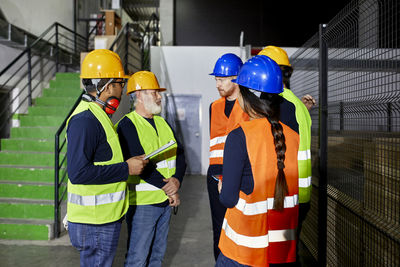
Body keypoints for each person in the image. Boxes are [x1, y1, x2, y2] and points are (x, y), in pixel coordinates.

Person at [66, 49, 149, 267]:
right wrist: (126, 169)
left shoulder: (98, 116)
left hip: (99, 220)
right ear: (107, 85)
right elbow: (78, 173)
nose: (122, 89)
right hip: (94, 223)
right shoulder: (85, 120)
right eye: (120, 83)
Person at [216, 55, 300, 266]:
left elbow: (228, 199)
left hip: (243, 251)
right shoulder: (292, 136)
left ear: (246, 95)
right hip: (280, 250)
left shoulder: (239, 136)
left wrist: (222, 187)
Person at [115, 71, 186, 267]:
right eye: (154, 92)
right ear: (139, 95)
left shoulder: (162, 123)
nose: (159, 96)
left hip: (165, 201)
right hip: (142, 205)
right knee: (137, 259)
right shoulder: (127, 125)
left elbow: (180, 156)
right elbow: (141, 167)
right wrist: (169, 187)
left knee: (156, 258)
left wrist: (177, 181)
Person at [259, 46, 312, 263]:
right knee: (289, 251)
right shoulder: (296, 103)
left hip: (287, 194)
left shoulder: (280, 105)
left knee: (280, 256)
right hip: (299, 193)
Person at [207, 53, 249, 261]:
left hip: (239, 175)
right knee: (218, 228)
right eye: (216, 79)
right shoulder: (213, 107)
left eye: (221, 80)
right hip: (215, 174)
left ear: (237, 78)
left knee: (239, 227)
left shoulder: (250, 107)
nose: (217, 84)